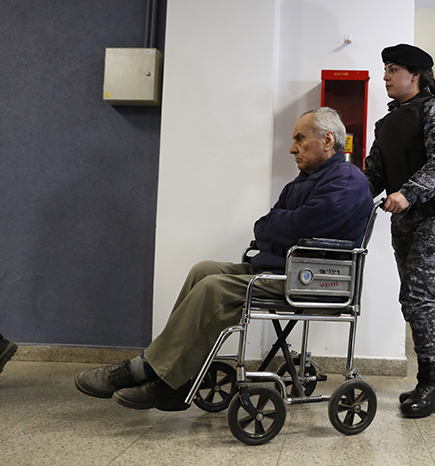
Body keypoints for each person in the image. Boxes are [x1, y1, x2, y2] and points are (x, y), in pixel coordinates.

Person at [75, 107, 374, 410]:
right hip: (281, 269)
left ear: (327, 140)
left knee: (214, 288)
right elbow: (265, 226)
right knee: (203, 271)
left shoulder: (346, 181)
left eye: (299, 138)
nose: (292, 148)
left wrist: (280, 227)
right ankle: (178, 376)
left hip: (311, 280)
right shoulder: (304, 181)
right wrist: (280, 228)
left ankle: (150, 371)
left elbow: (300, 228)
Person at [363, 44, 435, 418]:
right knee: (415, 300)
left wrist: (408, 192)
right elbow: (373, 174)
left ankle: (433, 383)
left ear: (416, 75)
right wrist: (343, 197)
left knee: (419, 296)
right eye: (386, 69)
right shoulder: (387, 123)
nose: (385, 76)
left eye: (393, 69)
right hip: (407, 221)